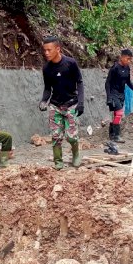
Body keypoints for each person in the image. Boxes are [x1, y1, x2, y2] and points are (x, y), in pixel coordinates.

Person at [38, 36, 85, 170]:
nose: (46, 53)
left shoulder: (70, 63)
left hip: (71, 104)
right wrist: (43, 101)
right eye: (44, 50)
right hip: (55, 105)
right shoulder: (46, 68)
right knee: (55, 136)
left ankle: (76, 155)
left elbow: (80, 82)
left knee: (71, 136)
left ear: (58, 49)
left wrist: (81, 103)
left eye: (49, 50)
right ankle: (58, 162)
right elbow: (48, 88)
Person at [105, 49, 133, 143]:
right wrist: (109, 97)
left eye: (130, 59)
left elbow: (128, 82)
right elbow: (107, 83)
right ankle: (117, 136)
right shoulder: (115, 68)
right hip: (113, 93)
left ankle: (112, 134)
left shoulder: (127, 68)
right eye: (127, 59)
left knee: (116, 115)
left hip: (121, 93)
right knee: (119, 113)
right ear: (122, 57)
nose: (129, 61)